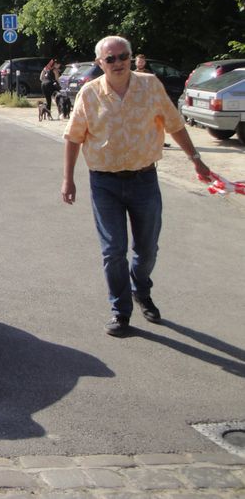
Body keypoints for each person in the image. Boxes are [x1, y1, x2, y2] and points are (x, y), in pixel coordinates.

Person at [61, 35, 211, 337]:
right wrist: (68, 178)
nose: (118, 63)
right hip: (104, 182)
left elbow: (175, 124)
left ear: (131, 57)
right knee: (113, 251)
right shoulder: (89, 94)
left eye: (123, 56)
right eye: (111, 58)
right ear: (100, 63)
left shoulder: (150, 86)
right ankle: (120, 310)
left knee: (147, 249)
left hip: (144, 179)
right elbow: (73, 136)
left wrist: (196, 160)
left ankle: (140, 288)